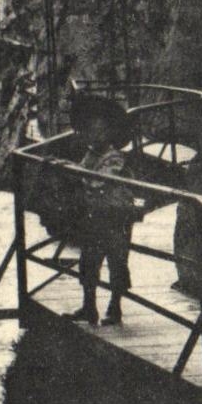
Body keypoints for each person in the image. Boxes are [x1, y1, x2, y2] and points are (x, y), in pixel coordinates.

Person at [67, 92, 134, 328]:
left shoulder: (115, 158)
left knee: (117, 261)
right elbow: (84, 172)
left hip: (115, 216)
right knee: (89, 261)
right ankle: (89, 307)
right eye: (90, 131)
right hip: (95, 215)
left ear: (109, 133)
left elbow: (99, 180)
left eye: (99, 131)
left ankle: (115, 308)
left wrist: (78, 174)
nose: (93, 136)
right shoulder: (92, 154)